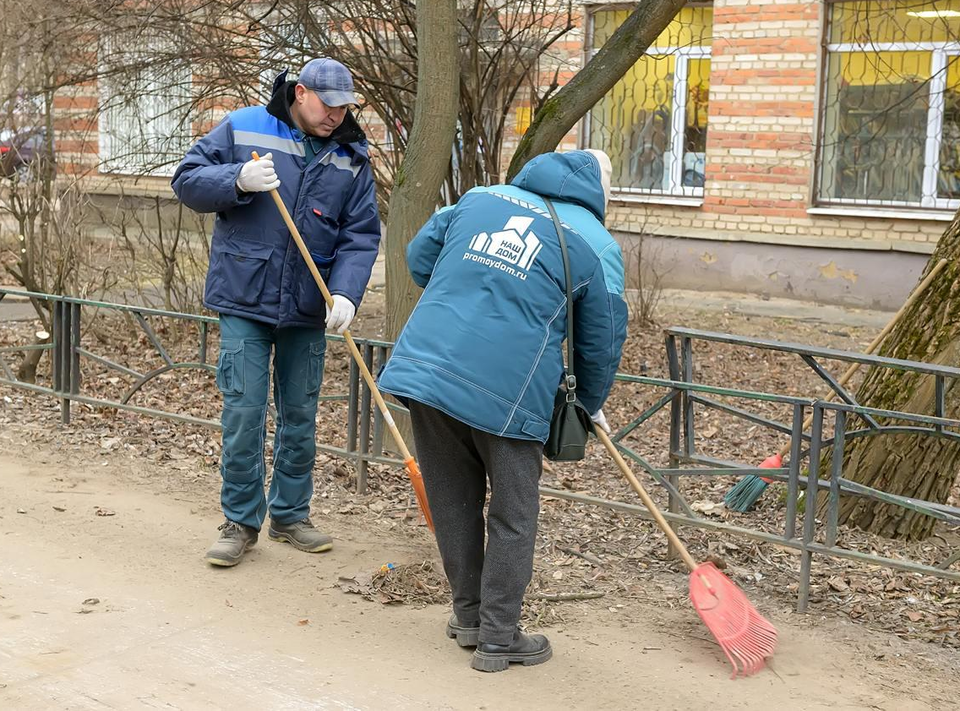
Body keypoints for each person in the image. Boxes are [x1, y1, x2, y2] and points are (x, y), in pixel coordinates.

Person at [378, 149, 627, 671]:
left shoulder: (479, 198)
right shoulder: (597, 244)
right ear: (601, 194)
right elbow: (600, 341)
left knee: (451, 498)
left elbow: (420, 258)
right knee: (513, 512)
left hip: (430, 368)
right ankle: (498, 636)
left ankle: (469, 618)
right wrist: (590, 404)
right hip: (509, 391)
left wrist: (472, 291)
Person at [171, 58, 380, 567]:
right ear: (301, 93)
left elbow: (360, 234)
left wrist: (348, 293)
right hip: (245, 293)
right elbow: (187, 180)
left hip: (309, 304)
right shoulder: (244, 127)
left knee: (301, 414)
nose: (336, 116)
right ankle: (240, 521)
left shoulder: (351, 156)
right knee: (244, 411)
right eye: (328, 106)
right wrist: (236, 179)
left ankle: (290, 515)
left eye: (344, 107)